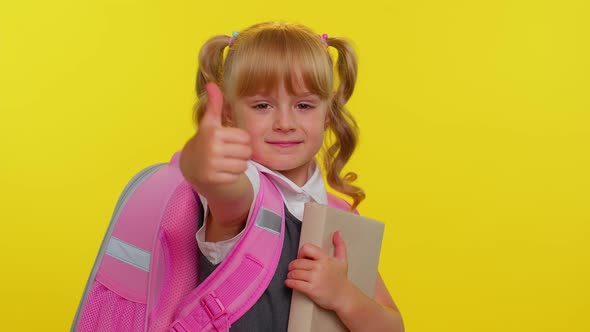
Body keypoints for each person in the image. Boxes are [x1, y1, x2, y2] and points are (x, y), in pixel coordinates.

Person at [179, 21, 404, 331]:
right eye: (262, 105)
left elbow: (393, 326)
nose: (285, 122)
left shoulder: (336, 213)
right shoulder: (248, 192)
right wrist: (201, 162)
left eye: (303, 105)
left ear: (328, 113)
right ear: (229, 113)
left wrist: (344, 297)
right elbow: (222, 187)